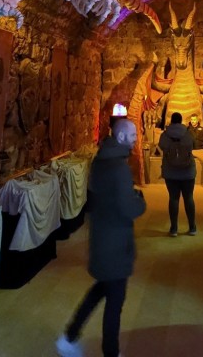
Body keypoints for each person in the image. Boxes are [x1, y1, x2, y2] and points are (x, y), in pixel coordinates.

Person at [56, 119, 146, 357]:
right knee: (114, 303)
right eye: (132, 134)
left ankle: (70, 336)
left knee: (101, 290)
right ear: (120, 137)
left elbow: (106, 198)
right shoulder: (119, 168)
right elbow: (128, 208)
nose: (136, 137)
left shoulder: (101, 160)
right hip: (115, 244)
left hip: (102, 238)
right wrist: (140, 201)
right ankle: (110, 352)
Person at [158, 112, 196, 236]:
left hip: (171, 171)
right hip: (187, 170)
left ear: (171, 121)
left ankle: (174, 228)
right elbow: (192, 146)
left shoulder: (165, 134)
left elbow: (162, 146)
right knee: (189, 197)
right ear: (181, 121)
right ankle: (192, 227)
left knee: (173, 198)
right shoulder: (187, 133)